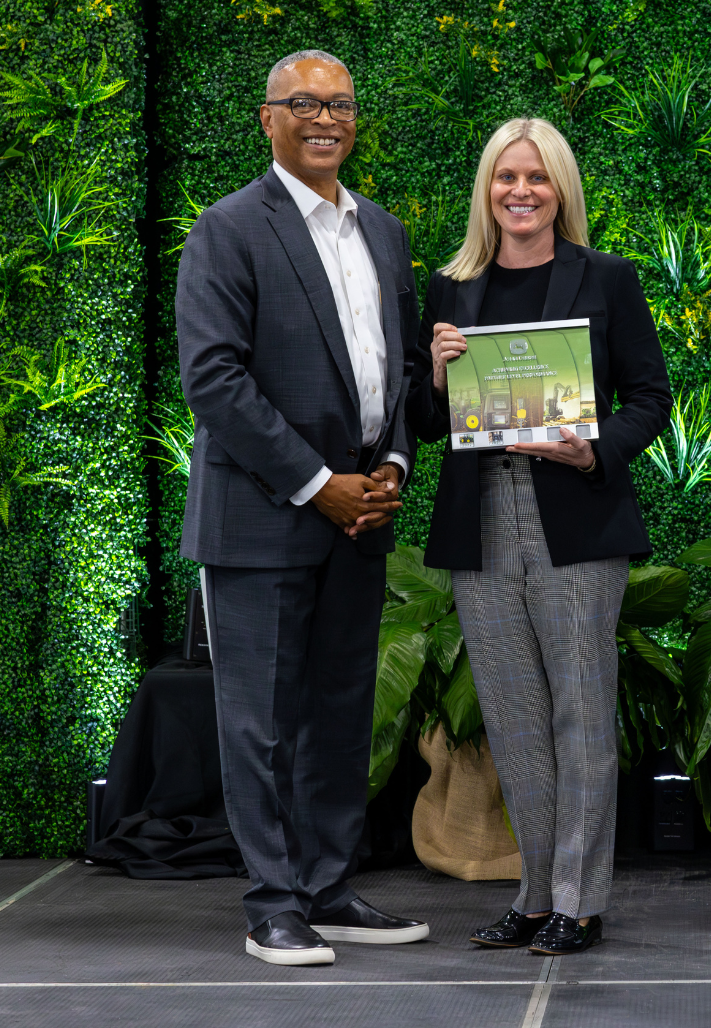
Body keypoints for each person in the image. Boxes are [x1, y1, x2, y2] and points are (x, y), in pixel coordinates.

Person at [176, 49, 430, 967]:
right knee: (262, 722)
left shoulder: (386, 231)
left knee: (338, 713)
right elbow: (214, 379)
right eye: (306, 104)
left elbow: (401, 371)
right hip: (264, 520)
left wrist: (392, 463)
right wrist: (319, 485)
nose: (326, 118)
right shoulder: (229, 229)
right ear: (268, 118)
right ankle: (271, 902)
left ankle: (325, 887)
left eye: (342, 105)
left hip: (363, 517)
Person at [410, 118, 670, 956]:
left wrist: (596, 449)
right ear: (486, 190)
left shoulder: (607, 278)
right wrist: (439, 372)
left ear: (561, 189)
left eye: (537, 178)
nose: (520, 192)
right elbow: (420, 419)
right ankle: (532, 894)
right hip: (479, 521)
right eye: (504, 178)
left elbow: (650, 398)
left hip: (576, 518)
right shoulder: (451, 288)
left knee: (582, 715)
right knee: (516, 720)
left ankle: (580, 901)